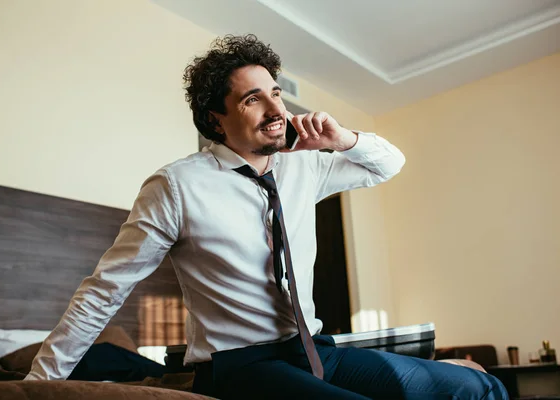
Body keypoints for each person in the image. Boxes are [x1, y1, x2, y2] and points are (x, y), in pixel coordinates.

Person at [25, 34, 508, 399]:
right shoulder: (176, 187)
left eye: (276, 92)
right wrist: (36, 385)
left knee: (477, 387)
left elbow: (391, 164)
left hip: (318, 349)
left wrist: (345, 141)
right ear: (216, 118)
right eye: (253, 98)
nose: (276, 108)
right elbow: (105, 290)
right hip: (240, 365)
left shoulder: (308, 165)